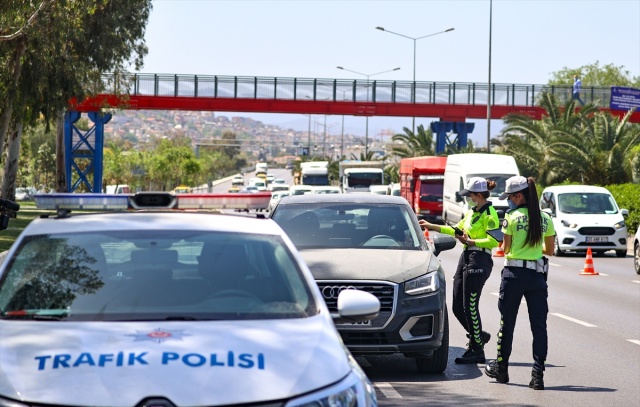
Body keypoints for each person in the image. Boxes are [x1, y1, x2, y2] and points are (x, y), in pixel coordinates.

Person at [484, 176, 555, 390]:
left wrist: (520, 246)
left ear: (518, 195)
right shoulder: (545, 218)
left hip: (513, 275)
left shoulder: (511, 217)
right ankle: (537, 374)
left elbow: (505, 249)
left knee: (507, 323)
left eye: (510, 197)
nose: (509, 201)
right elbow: (549, 250)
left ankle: (502, 368)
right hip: (536, 277)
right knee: (539, 327)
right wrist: (532, 249)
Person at [419, 177, 500, 364]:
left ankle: (476, 349)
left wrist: (471, 241)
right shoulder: (472, 213)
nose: (468, 198)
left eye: (470, 195)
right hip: (466, 258)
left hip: (479, 260)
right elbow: (457, 230)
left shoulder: (490, 214)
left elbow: (495, 241)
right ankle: (479, 335)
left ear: (478, 195)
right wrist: (431, 226)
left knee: (470, 306)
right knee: (457, 307)